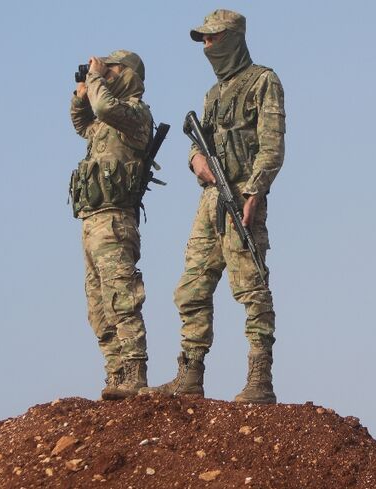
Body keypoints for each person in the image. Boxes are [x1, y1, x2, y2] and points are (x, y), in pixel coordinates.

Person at [143, 10, 286, 403]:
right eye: (203, 40)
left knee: (251, 285)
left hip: (242, 197)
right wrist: (196, 161)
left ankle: (260, 380)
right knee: (191, 286)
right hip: (210, 201)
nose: (207, 47)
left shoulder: (263, 81)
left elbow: (272, 147)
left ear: (233, 38)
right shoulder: (213, 95)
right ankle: (189, 374)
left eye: (213, 38)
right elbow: (198, 141)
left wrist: (254, 193)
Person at [68, 50, 154, 400]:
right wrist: (80, 95)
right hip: (92, 221)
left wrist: (96, 79)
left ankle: (135, 372)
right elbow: (83, 123)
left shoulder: (134, 114)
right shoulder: (106, 123)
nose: (104, 73)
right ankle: (116, 374)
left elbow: (104, 107)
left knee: (121, 298)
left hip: (116, 221)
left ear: (129, 74)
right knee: (99, 306)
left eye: (112, 68)